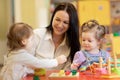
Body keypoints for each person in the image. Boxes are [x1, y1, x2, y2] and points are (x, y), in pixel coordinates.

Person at [0, 23, 67, 80]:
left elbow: (20, 68)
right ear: (24, 41)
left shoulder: (14, 53)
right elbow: (39, 63)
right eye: (31, 39)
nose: (33, 42)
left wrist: (32, 71)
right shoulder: (22, 56)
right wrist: (56, 61)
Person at [33, 2, 80, 70]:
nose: (60, 25)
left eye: (65, 22)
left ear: (71, 25)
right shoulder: (37, 35)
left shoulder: (71, 44)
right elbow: (25, 62)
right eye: (57, 20)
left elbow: (67, 72)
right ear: (52, 18)